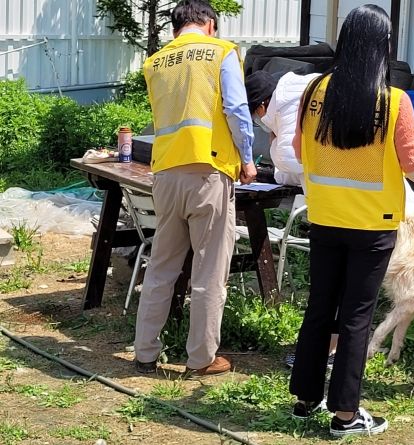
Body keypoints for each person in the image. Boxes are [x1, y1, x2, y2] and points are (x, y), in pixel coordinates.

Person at [288, 4, 414, 437]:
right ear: (383, 45)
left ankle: (305, 399)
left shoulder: (315, 90)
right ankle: (345, 415)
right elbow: (413, 169)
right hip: (373, 226)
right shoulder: (394, 101)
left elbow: (298, 151)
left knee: (320, 307)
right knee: (356, 317)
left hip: (324, 217)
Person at [133, 0, 257, 377]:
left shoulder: (155, 62)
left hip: (165, 174)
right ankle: (202, 358)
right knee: (209, 271)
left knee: (161, 266)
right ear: (210, 25)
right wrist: (247, 158)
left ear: (175, 28)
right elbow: (236, 110)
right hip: (209, 172)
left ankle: (145, 352)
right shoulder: (222, 52)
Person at [245, 69, 319, 189]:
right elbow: (303, 170)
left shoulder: (283, 110)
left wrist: (275, 142)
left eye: (255, 116)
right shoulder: (297, 91)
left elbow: (291, 162)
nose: (258, 120)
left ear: (261, 107)